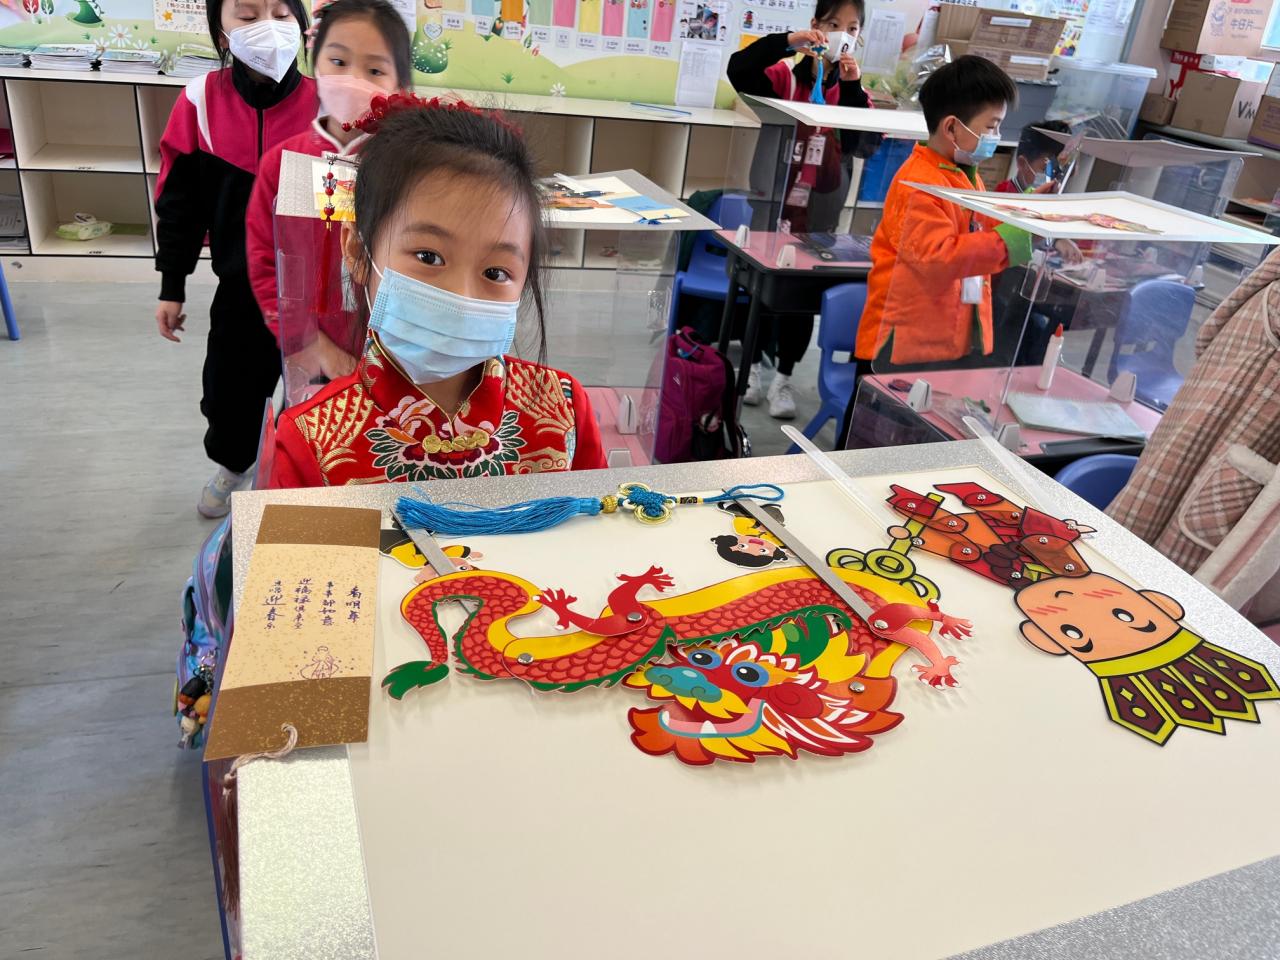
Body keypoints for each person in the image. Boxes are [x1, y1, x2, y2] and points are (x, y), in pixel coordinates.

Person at [268, 96, 608, 487]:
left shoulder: (563, 412)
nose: (463, 296)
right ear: (359, 252)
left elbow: (599, 522)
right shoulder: (311, 442)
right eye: (429, 257)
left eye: (495, 272)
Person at [154, 0, 315, 518]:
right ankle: (232, 467)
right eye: (247, 16)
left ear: (302, 27)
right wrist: (172, 285)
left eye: (281, 14)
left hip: (317, 298)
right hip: (241, 292)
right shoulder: (200, 101)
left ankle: (298, 485)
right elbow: (180, 205)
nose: (267, 27)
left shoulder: (327, 107)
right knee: (229, 395)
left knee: (313, 401)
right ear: (222, 34)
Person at [246, 0, 412, 391]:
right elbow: (266, 261)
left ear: (399, 84)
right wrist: (309, 343)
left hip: (396, 356)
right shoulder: (285, 163)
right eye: (338, 62)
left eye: (374, 70)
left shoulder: (409, 166)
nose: (352, 79)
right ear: (315, 64)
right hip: (310, 356)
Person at [727, 0, 879, 419]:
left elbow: (861, 145)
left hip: (818, 213)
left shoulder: (853, 91)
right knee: (759, 291)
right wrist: (790, 42)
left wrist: (852, 87)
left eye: (852, 27)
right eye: (833, 23)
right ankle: (752, 369)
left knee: (798, 300)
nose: (842, 33)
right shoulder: (784, 77)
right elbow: (739, 70)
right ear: (816, 26)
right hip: (772, 202)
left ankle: (784, 378)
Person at [851, 55, 1031, 375]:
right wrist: (1008, 242)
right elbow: (939, 258)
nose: (997, 135)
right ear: (951, 127)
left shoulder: (962, 174)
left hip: (942, 339)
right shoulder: (919, 185)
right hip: (900, 346)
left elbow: (977, 226)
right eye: (991, 126)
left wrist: (1025, 214)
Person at [995, 119, 1071, 194]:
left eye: (1060, 170)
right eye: (1046, 169)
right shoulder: (1003, 195)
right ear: (1022, 163)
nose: (1055, 180)